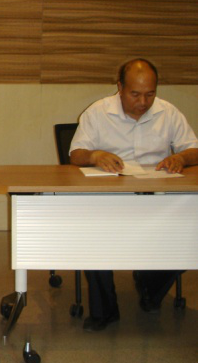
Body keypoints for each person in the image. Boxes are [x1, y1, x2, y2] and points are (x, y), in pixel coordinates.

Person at [69, 58, 198, 331]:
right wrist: (95, 155)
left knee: (189, 234)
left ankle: (150, 287)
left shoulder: (168, 112)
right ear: (120, 87)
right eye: (135, 94)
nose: (143, 102)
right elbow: (76, 154)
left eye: (150, 94)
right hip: (109, 200)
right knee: (92, 235)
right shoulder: (98, 112)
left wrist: (181, 158)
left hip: (157, 199)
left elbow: (193, 149)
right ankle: (105, 311)